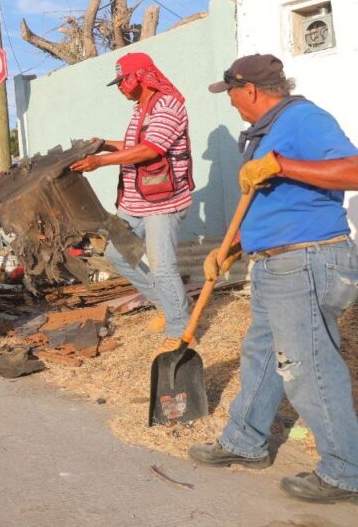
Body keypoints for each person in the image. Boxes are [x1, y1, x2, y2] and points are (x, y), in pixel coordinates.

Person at [187, 54, 358, 504]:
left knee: (309, 367)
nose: (231, 105)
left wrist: (282, 165)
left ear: (251, 90)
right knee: (262, 355)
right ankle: (245, 441)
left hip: (307, 259)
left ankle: (346, 471)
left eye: (232, 95)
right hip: (274, 262)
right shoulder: (264, 134)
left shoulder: (303, 118)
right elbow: (270, 205)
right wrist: (229, 252)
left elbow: (354, 170)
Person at [70, 52, 194, 350]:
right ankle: (168, 304)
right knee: (116, 254)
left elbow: (151, 150)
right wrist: (104, 144)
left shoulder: (167, 105)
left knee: (163, 267)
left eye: (123, 80)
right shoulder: (142, 109)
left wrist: (101, 162)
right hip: (136, 202)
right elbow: (135, 145)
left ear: (140, 76)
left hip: (163, 202)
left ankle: (180, 332)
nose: (120, 87)